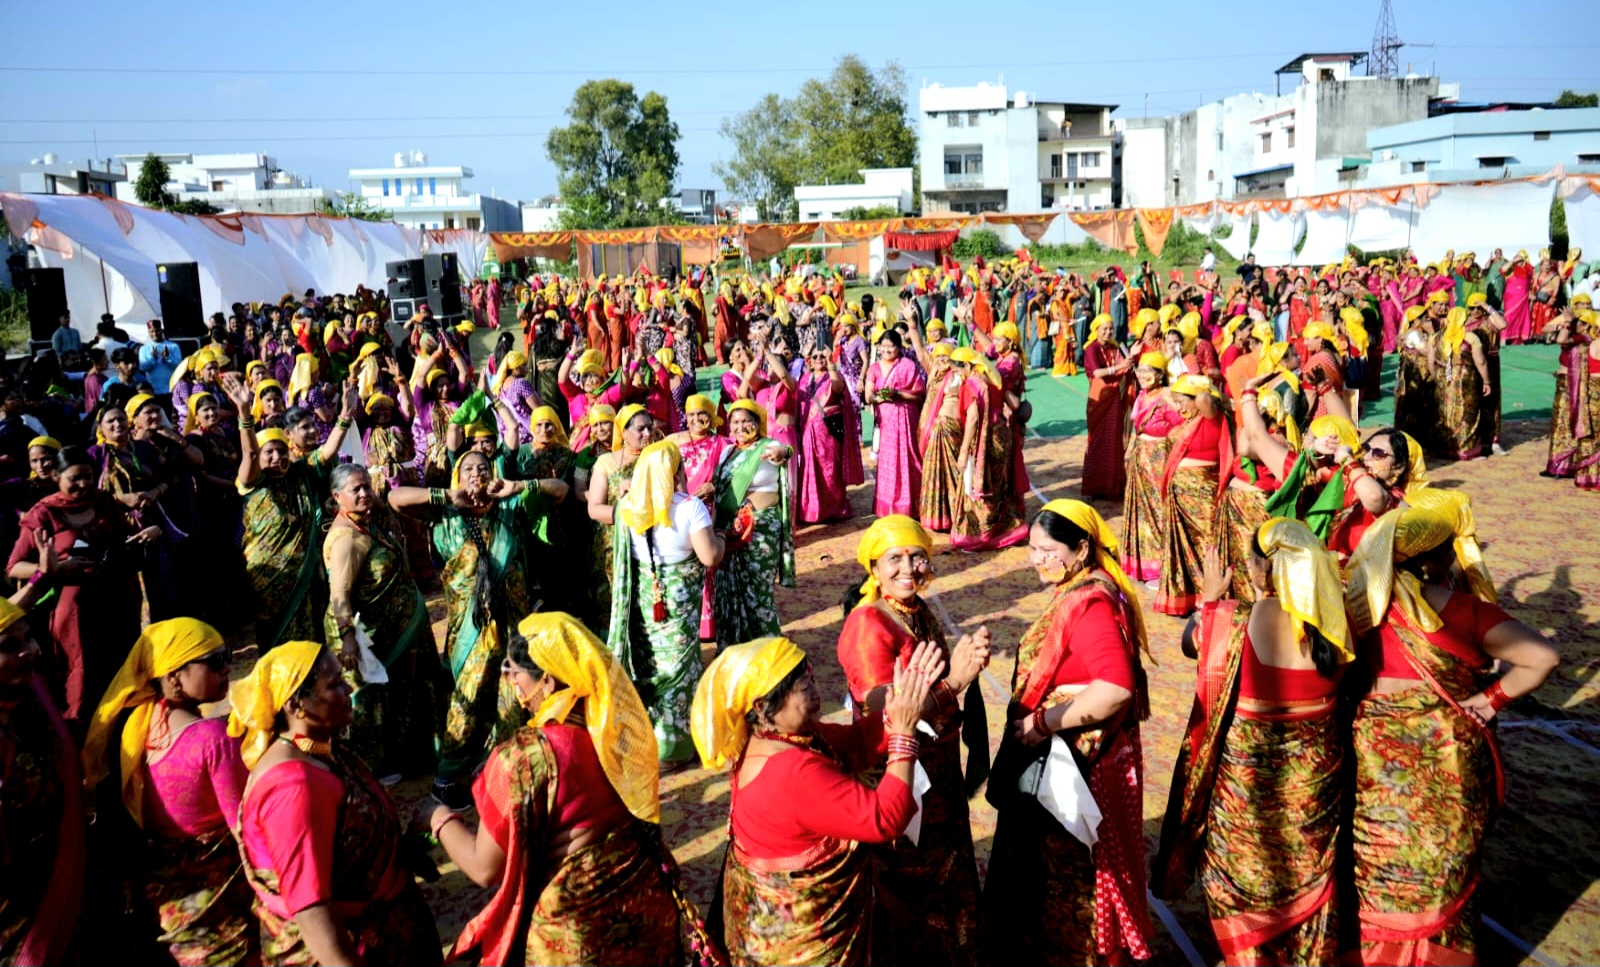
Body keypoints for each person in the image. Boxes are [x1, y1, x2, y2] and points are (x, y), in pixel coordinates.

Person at [1343, 506, 1559, 966]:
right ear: (1431, 561)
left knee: (1379, 863)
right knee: (1441, 868)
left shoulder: (1353, 605)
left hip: (1373, 761)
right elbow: (1542, 658)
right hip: (1448, 765)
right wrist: (1491, 700)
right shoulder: (1463, 611)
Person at [432, 613, 689, 966]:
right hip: (646, 908)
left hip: (579, 935)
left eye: (515, 672)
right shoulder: (614, 729)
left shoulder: (525, 757)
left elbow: (483, 868)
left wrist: (439, 819)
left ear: (549, 682)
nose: (512, 683)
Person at [1154, 527, 1350, 966]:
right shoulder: (1337, 632)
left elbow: (1194, 646)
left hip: (1247, 803)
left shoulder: (1230, 621)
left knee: (1242, 885)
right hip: (1312, 799)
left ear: (1263, 570)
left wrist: (1208, 598)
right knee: (1307, 881)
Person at [691, 636, 945, 967]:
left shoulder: (773, 741)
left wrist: (902, 708)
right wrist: (903, 736)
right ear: (761, 706)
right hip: (803, 944)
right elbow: (885, 818)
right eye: (801, 686)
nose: (814, 690)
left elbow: (853, 743)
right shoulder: (792, 772)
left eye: (811, 677)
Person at [982, 501, 1156, 965]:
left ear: (1081, 549)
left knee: (1073, 872)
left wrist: (1042, 723)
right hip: (1086, 756)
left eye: (1048, 550)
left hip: (1078, 767)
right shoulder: (1088, 587)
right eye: (1032, 549)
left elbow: (1115, 688)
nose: (1037, 559)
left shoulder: (1090, 603)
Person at [228, 641, 443, 966]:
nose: (348, 690)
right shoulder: (292, 786)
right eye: (335, 685)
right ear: (296, 705)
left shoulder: (319, 749)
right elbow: (311, 910)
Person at [836, 515, 989, 965]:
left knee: (945, 866)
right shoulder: (869, 626)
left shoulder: (916, 610)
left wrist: (966, 663)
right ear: (874, 567)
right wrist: (954, 683)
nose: (909, 568)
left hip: (937, 768)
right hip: (900, 774)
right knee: (909, 876)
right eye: (894, 559)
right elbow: (886, 713)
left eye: (917, 556)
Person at [80, 618, 256, 966]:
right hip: (217, 900)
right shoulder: (213, 740)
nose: (228, 668)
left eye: (228, 655)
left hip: (165, 902)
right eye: (215, 661)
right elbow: (246, 827)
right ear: (174, 677)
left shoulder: (138, 728)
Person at [386, 450, 537, 803]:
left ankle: (503, 768)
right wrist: (445, 495)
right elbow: (395, 498)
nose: (476, 473)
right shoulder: (446, 513)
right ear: (457, 475)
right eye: (467, 468)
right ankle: (449, 775)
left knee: (509, 695)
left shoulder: (507, 509)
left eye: (483, 468)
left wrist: (517, 486)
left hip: (511, 623)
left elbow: (558, 489)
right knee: (468, 696)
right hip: (469, 628)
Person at [8, 446, 156, 722]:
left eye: (88, 476)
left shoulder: (103, 502)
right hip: (76, 612)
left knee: (123, 667)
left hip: (117, 601)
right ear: (56, 476)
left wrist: (146, 534)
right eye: (75, 478)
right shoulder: (43, 514)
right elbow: (13, 567)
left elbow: (127, 537)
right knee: (83, 675)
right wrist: (53, 569)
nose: (84, 484)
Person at [323, 463, 447, 779]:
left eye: (367, 486)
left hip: (399, 627)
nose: (365, 493)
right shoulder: (346, 540)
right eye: (356, 489)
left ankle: (413, 755)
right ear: (337, 496)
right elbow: (340, 594)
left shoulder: (367, 521)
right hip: (367, 635)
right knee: (375, 702)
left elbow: (387, 501)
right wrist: (348, 636)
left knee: (407, 691)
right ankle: (374, 768)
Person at [608, 440, 725, 763]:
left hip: (645, 604)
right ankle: (674, 749)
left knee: (649, 663)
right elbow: (710, 556)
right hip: (678, 605)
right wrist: (724, 537)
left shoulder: (628, 508)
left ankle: (646, 742)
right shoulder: (690, 508)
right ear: (676, 471)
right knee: (680, 667)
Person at [224, 376, 360, 651]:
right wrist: (244, 413)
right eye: (269, 453)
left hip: (307, 572)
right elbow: (249, 453)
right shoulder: (253, 482)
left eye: (281, 451)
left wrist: (345, 415)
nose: (277, 457)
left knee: (312, 638)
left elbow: (327, 451)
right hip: (271, 580)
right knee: (276, 643)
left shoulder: (301, 472)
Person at [0, 584, 86, 967]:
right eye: (7, 646)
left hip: (57, 871)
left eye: (28, 637)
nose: (28, 651)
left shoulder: (32, 695)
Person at [712, 401, 794, 651]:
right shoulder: (727, 452)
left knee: (758, 593)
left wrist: (785, 452)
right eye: (734, 422)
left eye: (746, 421)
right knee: (729, 593)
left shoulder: (767, 446)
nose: (740, 427)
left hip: (760, 530)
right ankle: (735, 653)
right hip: (729, 530)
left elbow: (785, 450)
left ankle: (769, 655)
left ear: (757, 422)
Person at [1155, 374, 1231, 616]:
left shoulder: (1212, 419)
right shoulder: (1184, 425)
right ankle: (1189, 595)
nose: (1178, 408)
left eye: (1182, 402)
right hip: (1180, 498)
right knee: (1183, 547)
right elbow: (1166, 392)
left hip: (1203, 496)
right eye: (1176, 403)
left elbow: (1205, 398)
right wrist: (1179, 392)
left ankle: (1211, 593)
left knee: (1207, 544)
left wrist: (1197, 384)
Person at [949, 349, 1028, 551]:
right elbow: (1015, 403)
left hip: (984, 439)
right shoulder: (994, 377)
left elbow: (973, 417)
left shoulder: (971, 384)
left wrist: (964, 450)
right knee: (999, 483)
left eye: (957, 371)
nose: (958, 376)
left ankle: (981, 536)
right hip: (1002, 435)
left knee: (981, 484)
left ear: (967, 365)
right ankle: (1007, 528)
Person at [586, 404, 654, 636]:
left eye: (649, 428)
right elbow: (594, 509)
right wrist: (629, 512)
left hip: (651, 544)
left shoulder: (660, 458)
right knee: (611, 606)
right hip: (613, 546)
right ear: (623, 432)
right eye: (640, 429)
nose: (647, 434)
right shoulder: (606, 463)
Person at [1120, 350, 1182, 585]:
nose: (1143, 375)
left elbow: (1182, 428)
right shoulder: (1142, 396)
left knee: (1157, 510)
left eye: (1149, 371)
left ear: (1160, 374)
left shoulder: (1166, 397)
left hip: (1158, 461)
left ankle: (1161, 564)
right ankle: (1142, 563)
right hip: (1140, 459)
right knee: (1141, 511)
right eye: (1140, 370)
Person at [864, 329, 926, 516]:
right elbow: (868, 396)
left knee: (908, 458)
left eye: (891, 346)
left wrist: (898, 394)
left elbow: (919, 394)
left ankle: (911, 504)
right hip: (886, 420)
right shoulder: (874, 368)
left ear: (899, 348)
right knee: (889, 461)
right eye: (883, 346)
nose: (887, 349)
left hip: (906, 418)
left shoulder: (907, 365)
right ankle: (888, 506)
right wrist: (879, 397)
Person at [795, 342, 855, 524]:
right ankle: (813, 510)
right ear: (809, 361)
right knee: (810, 470)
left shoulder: (832, 375)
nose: (819, 359)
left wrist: (831, 363)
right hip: (807, 432)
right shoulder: (804, 379)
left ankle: (835, 509)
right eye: (815, 357)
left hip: (828, 433)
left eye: (822, 356)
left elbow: (837, 388)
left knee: (830, 470)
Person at [1082, 314, 1134, 499]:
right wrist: (1118, 367)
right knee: (1096, 441)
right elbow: (1097, 372)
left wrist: (1128, 362)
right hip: (1099, 397)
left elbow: (1125, 365)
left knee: (1113, 441)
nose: (1108, 332)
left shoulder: (1114, 347)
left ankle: (1112, 486)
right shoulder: (1091, 349)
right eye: (1104, 328)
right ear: (1096, 330)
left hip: (1114, 398)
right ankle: (1093, 487)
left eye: (1110, 328)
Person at [139, 320, 182, 407]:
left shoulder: (173, 346)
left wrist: (168, 358)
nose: (155, 334)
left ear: (161, 331)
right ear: (148, 332)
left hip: (171, 390)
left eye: (157, 330)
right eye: (152, 331)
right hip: (153, 391)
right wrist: (153, 358)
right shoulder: (144, 348)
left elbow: (178, 366)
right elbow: (143, 367)